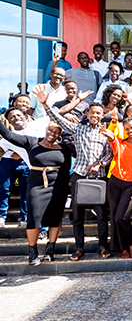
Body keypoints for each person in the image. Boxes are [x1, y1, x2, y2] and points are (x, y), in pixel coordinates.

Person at [40, 89, 113, 261]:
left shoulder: (106, 133)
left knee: (102, 217)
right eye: (92, 112)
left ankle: (102, 246)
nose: (95, 115)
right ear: (87, 113)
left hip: (99, 178)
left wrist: (100, 164)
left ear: (102, 115)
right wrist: (44, 103)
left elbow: (110, 153)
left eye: (99, 113)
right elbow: (57, 119)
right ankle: (79, 248)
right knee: (77, 216)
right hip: (79, 176)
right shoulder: (78, 128)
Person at [0, 111, 71, 266]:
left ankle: (50, 250)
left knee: (55, 218)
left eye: (56, 131)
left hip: (58, 184)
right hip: (37, 183)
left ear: (60, 133)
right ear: (46, 129)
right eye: (50, 129)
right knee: (34, 217)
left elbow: (66, 168)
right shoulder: (31, 141)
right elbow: (8, 135)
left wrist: (65, 188)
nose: (53, 133)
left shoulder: (64, 148)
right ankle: (33, 252)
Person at [102, 118, 132, 258]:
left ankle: (131, 242)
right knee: (114, 216)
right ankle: (122, 247)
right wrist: (107, 132)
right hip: (114, 182)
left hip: (131, 184)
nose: (130, 131)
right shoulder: (120, 143)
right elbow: (112, 137)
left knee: (121, 216)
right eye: (127, 129)